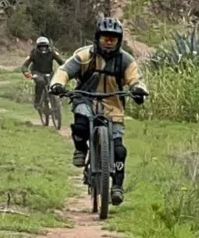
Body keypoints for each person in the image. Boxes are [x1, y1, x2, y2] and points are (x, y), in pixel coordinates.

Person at [53, 11, 147, 205]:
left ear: (119, 41)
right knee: (79, 126)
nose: (109, 43)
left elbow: (136, 79)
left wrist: (138, 90)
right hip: (85, 99)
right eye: (105, 38)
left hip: (113, 104)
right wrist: (58, 85)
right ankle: (81, 150)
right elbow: (64, 71)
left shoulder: (126, 60)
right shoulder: (85, 55)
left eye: (113, 39)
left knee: (119, 150)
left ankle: (117, 186)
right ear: (98, 38)